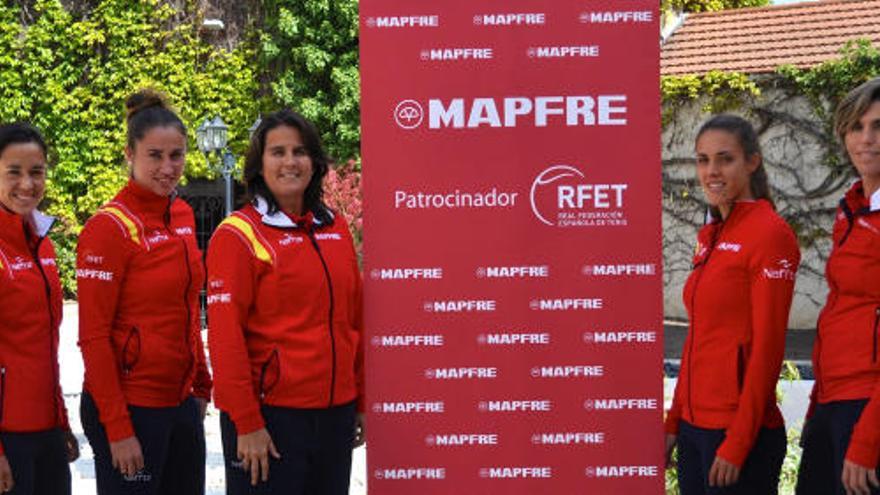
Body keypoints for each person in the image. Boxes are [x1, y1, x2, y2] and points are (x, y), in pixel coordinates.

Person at [206, 109, 365, 494]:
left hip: (334, 415)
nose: (290, 162)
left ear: (315, 162)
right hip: (271, 421)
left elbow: (353, 320)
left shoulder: (335, 227)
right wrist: (247, 423)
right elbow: (226, 340)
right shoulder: (237, 235)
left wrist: (358, 399)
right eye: (277, 152)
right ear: (259, 164)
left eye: (300, 151)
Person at [76, 89, 212, 493]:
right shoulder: (108, 228)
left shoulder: (183, 214)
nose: (168, 167)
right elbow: (94, 337)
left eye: (177, 155)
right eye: (155, 155)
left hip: (180, 402)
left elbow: (188, 306)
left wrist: (202, 384)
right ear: (129, 155)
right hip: (130, 409)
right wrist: (118, 428)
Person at [664, 114, 801, 494]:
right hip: (695, 428)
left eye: (725, 159)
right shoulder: (710, 235)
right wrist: (675, 422)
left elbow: (768, 348)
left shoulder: (770, 234)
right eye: (703, 160)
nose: (712, 171)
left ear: (752, 162)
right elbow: (698, 340)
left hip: (739, 434)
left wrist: (739, 441)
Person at [797, 77, 880, 495]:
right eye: (856, 127)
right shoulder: (850, 206)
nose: (867, 139)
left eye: (879, 126)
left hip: (870, 408)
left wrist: (868, 439)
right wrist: (816, 406)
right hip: (831, 400)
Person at [0, 123, 78, 494]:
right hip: (7, 437)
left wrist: (60, 420)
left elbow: (45, 344)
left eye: (37, 172)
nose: (27, 184)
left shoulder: (42, 244)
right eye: (13, 172)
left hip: (46, 431)